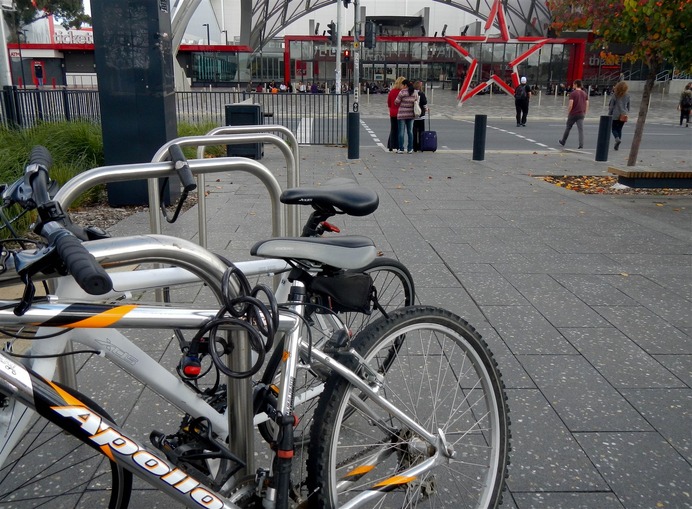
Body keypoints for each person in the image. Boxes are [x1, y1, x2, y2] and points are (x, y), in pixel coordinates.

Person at [558, 79, 589, 149]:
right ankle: (581, 144)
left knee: (568, 127)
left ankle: (563, 141)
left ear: (576, 85)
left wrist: (568, 112)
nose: (573, 85)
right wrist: (585, 112)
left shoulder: (573, 93)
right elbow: (587, 104)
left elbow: (570, 104)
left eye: (573, 84)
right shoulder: (585, 93)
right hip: (581, 113)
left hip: (573, 113)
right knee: (581, 130)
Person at [394, 79, 418, 154]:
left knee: (401, 132)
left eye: (402, 85)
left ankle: (401, 148)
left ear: (405, 85)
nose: (401, 86)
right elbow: (417, 101)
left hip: (402, 114)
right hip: (411, 114)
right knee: (410, 132)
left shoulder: (402, 92)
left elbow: (396, 102)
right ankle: (410, 148)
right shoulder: (414, 92)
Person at [608, 80, 631, 150]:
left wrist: (609, 113)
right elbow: (628, 106)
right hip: (623, 114)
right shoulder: (627, 95)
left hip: (615, 114)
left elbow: (611, 106)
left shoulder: (615, 95)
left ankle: (617, 139)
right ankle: (617, 144)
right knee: (619, 129)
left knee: (613, 128)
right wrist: (626, 112)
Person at [387, 76, 405, 152]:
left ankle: (391, 145)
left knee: (393, 129)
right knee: (400, 130)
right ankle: (398, 145)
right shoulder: (402, 92)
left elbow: (389, 103)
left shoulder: (392, 91)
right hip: (400, 112)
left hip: (392, 112)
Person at [412, 80, 428, 152]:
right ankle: (421, 146)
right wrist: (426, 108)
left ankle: (414, 146)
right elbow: (424, 103)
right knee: (421, 131)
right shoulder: (421, 94)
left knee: (414, 131)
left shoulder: (411, 93)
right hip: (421, 115)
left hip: (413, 115)